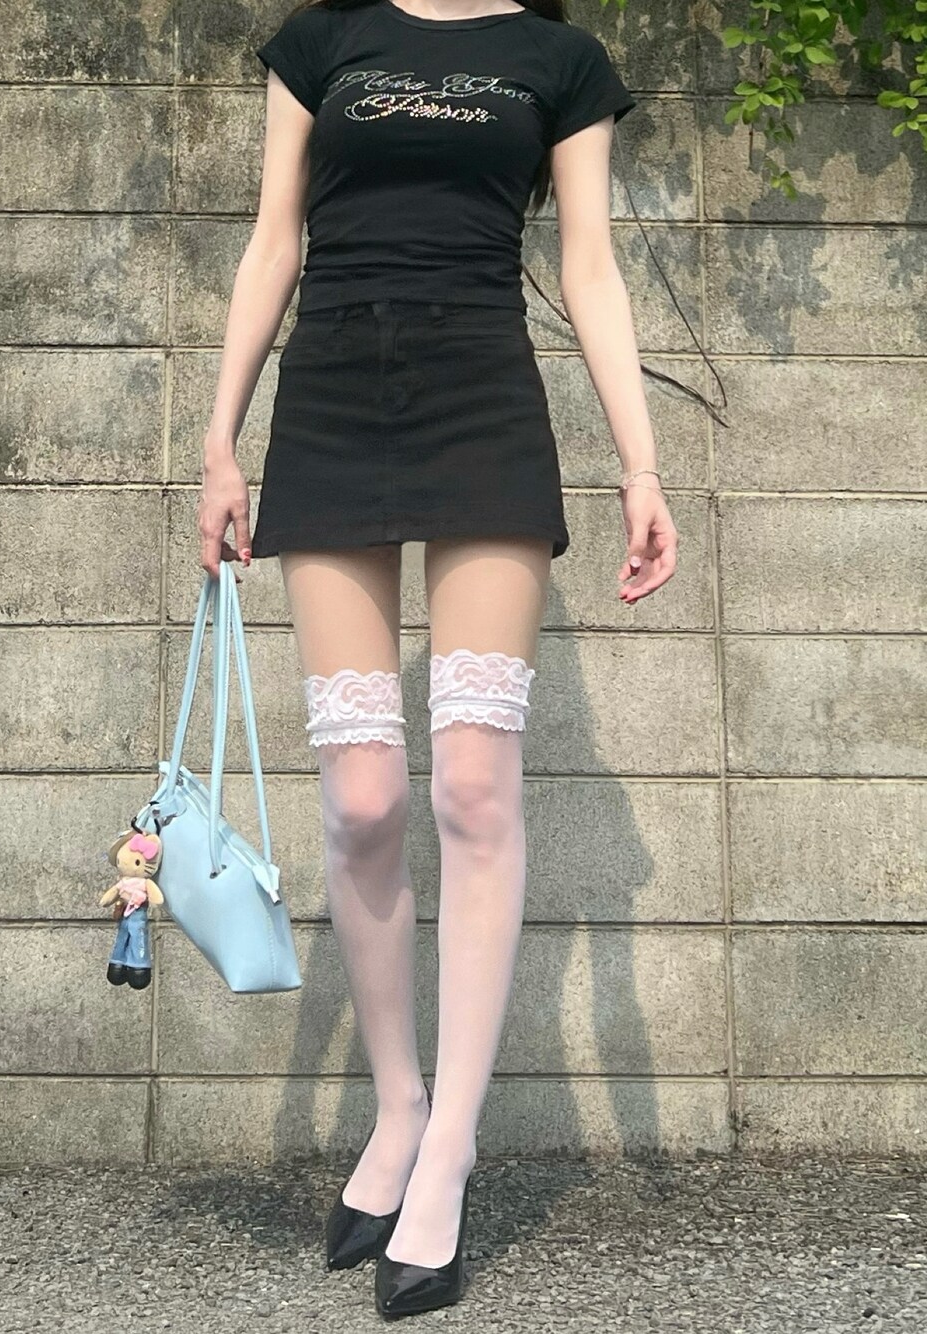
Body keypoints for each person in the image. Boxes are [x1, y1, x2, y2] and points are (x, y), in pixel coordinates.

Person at [196, 0, 679, 1317]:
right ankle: (398, 1106)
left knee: (472, 785)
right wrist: (220, 440)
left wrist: (640, 463)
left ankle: (450, 1146)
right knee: (362, 799)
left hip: (483, 398)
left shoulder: (559, 61)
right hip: (331, 396)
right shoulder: (322, 43)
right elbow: (274, 239)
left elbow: (590, 266)